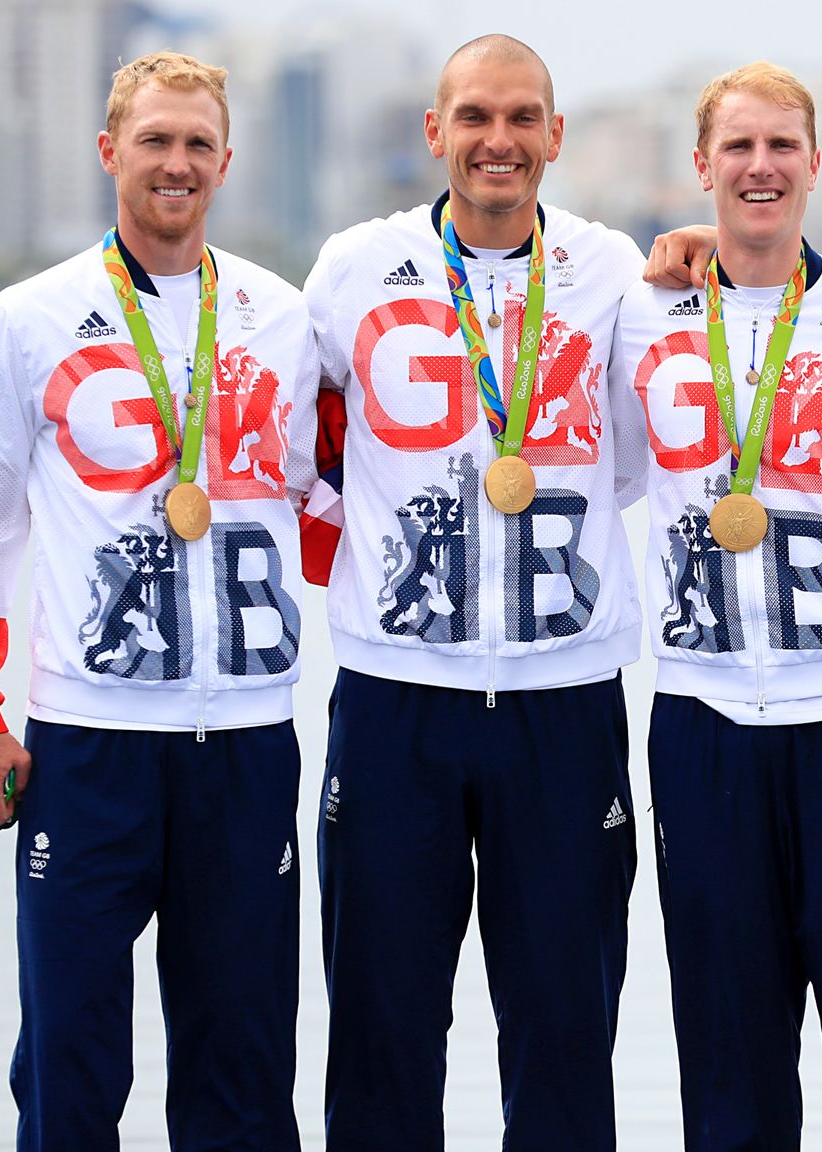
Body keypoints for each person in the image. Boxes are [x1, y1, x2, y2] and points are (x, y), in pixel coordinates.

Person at [0, 51, 315, 1151]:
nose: (176, 163)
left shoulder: (282, 319)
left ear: (226, 161)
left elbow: (333, 500)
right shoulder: (27, 317)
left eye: (197, 143)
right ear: (110, 153)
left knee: (241, 1073)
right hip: (86, 749)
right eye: (154, 140)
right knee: (69, 1061)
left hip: (245, 745)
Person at [299, 34, 646, 1152]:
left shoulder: (613, 270)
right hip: (397, 699)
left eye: (522, 118)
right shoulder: (352, 265)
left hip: (564, 699)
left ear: (554, 136)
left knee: (562, 1033)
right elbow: (299, 450)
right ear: (434, 133)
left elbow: (640, 457)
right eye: (475, 117)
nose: (498, 140)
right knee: (381, 1033)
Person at [609, 62, 822, 1152]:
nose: (759, 167)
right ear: (700, 167)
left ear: (813, 163)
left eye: (780, 146)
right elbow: (594, 477)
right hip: (703, 723)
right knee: (727, 1056)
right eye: (737, 148)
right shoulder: (639, 318)